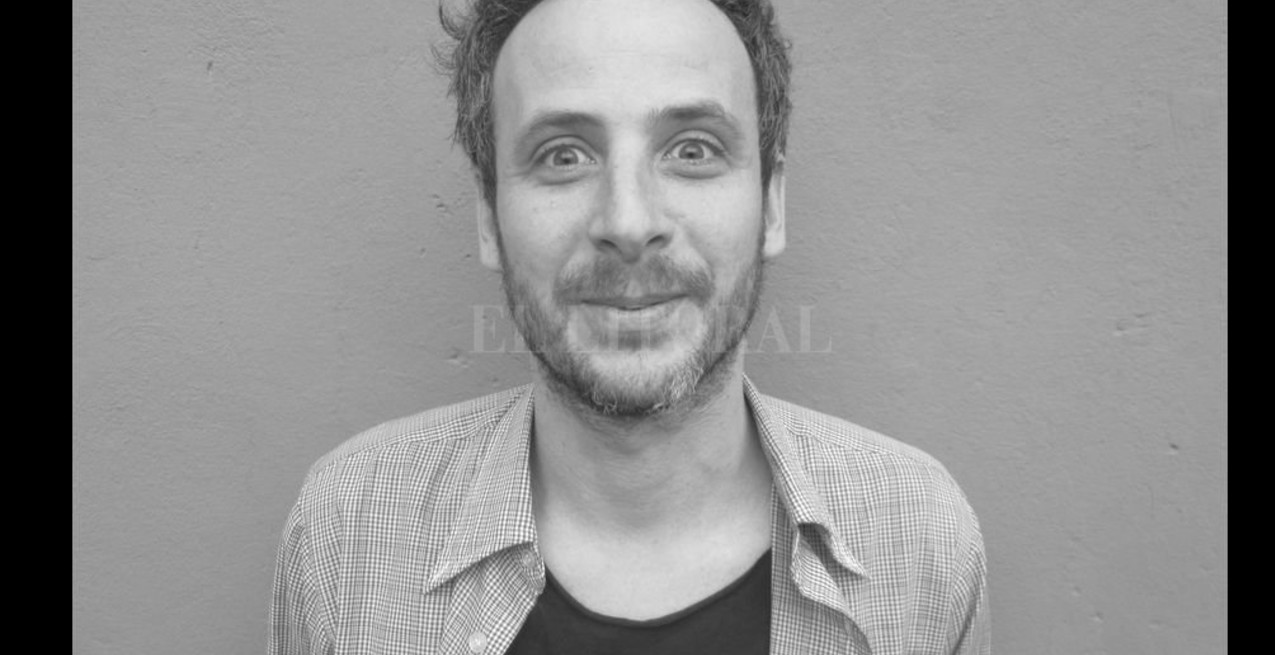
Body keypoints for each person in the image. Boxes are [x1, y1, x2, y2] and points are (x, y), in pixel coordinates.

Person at [268, 0, 990, 652]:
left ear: (771, 202)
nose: (629, 222)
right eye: (563, 155)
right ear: (488, 218)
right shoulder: (346, 537)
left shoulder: (919, 541)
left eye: (692, 149)